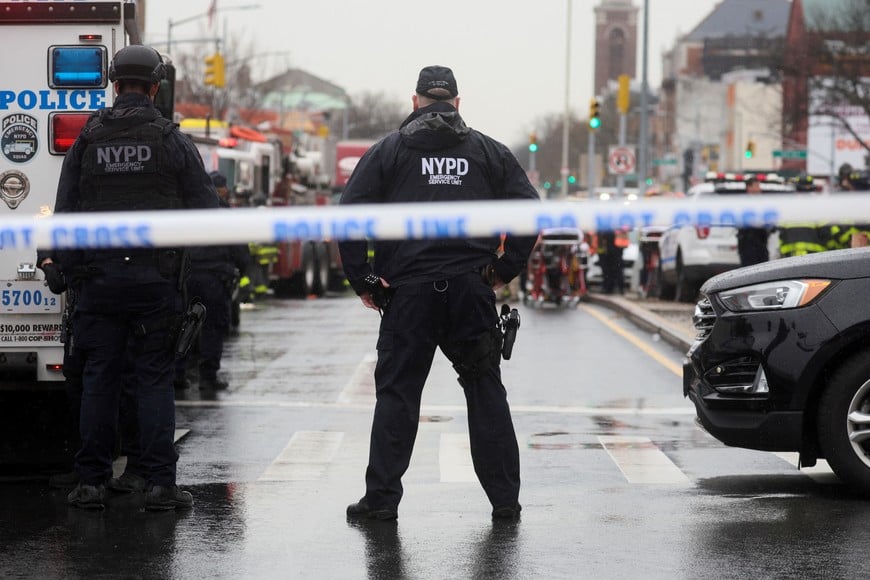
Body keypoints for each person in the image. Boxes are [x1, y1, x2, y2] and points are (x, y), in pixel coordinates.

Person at [338, 65, 539, 521]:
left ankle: (382, 501)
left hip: (408, 295)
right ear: (457, 104)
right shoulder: (489, 152)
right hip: (470, 291)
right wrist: (504, 269)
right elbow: (530, 211)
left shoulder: (388, 152)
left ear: (415, 102)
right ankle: (505, 501)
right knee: (485, 390)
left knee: (398, 396)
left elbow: (347, 217)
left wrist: (364, 280)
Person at [46, 44, 219, 510]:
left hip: (98, 283)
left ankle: (90, 484)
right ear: (156, 87)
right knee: (154, 381)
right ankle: (160, 485)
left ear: (115, 84)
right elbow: (209, 213)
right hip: (156, 284)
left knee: (99, 381)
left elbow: (64, 216)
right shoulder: (171, 140)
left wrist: (63, 270)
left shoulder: (88, 139)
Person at [175, 171, 251, 391]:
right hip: (216, 278)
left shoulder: (187, 209)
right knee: (212, 328)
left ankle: (177, 374)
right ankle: (208, 378)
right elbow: (240, 250)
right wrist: (242, 271)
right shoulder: (225, 213)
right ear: (223, 189)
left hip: (187, 277)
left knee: (183, 325)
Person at [736, 176, 770, 267]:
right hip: (747, 244)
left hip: (761, 244)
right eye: (757, 186)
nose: (759, 188)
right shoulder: (742, 203)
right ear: (749, 188)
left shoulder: (763, 202)